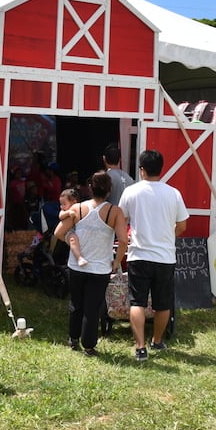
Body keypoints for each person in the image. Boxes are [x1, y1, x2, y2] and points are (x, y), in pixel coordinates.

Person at [119, 149, 190, 361]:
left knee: (137, 302)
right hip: (165, 257)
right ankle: (157, 341)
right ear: (161, 169)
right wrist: (168, 235)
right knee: (163, 304)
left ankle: (140, 347)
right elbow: (183, 226)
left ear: (141, 170)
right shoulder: (173, 193)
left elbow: (121, 220)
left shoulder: (131, 192)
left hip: (139, 255)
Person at [58, 171, 128, 356]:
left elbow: (58, 232)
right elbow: (123, 240)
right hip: (100, 268)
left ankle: (73, 339)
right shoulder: (115, 212)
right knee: (93, 307)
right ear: (109, 190)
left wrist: (71, 239)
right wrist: (116, 262)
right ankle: (89, 345)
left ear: (90, 187)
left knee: (76, 303)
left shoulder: (77, 208)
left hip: (76, 266)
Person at [55, 187, 86, 266]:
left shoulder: (80, 209)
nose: (62, 207)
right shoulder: (64, 211)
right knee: (73, 240)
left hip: (79, 232)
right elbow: (60, 216)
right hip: (69, 232)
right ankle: (79, 258)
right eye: (61, 204)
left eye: (64, 204)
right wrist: (68, 212)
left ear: (74, 203)